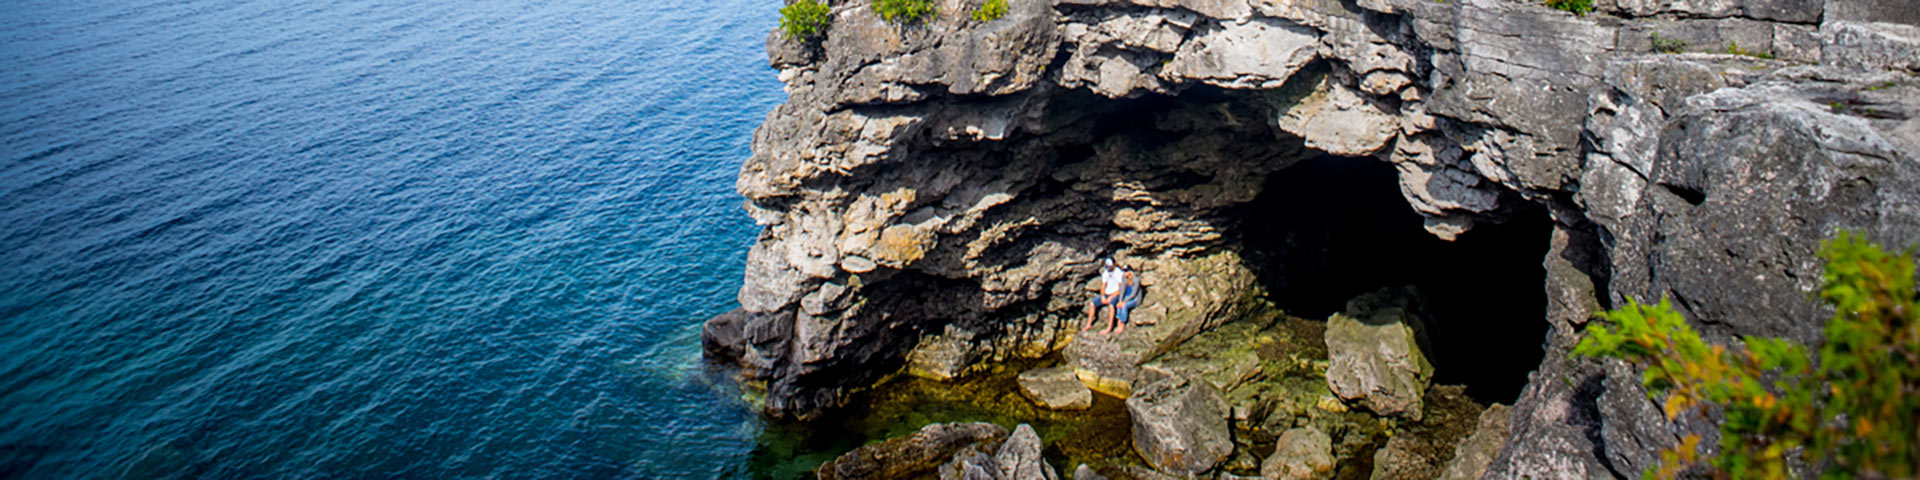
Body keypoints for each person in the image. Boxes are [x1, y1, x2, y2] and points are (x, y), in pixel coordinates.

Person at [1082, 258, 1141, 335]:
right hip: (1107, 294)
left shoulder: (1121, 274)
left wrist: (1114, 298)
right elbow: (1103, 286)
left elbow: (1122, 290)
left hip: (1117, 295)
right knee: (1092, 303)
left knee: (1114, 305)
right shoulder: (1106, 273)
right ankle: (1088, 324)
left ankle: (1110, 327)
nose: (1108, 268)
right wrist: (1103, 296)